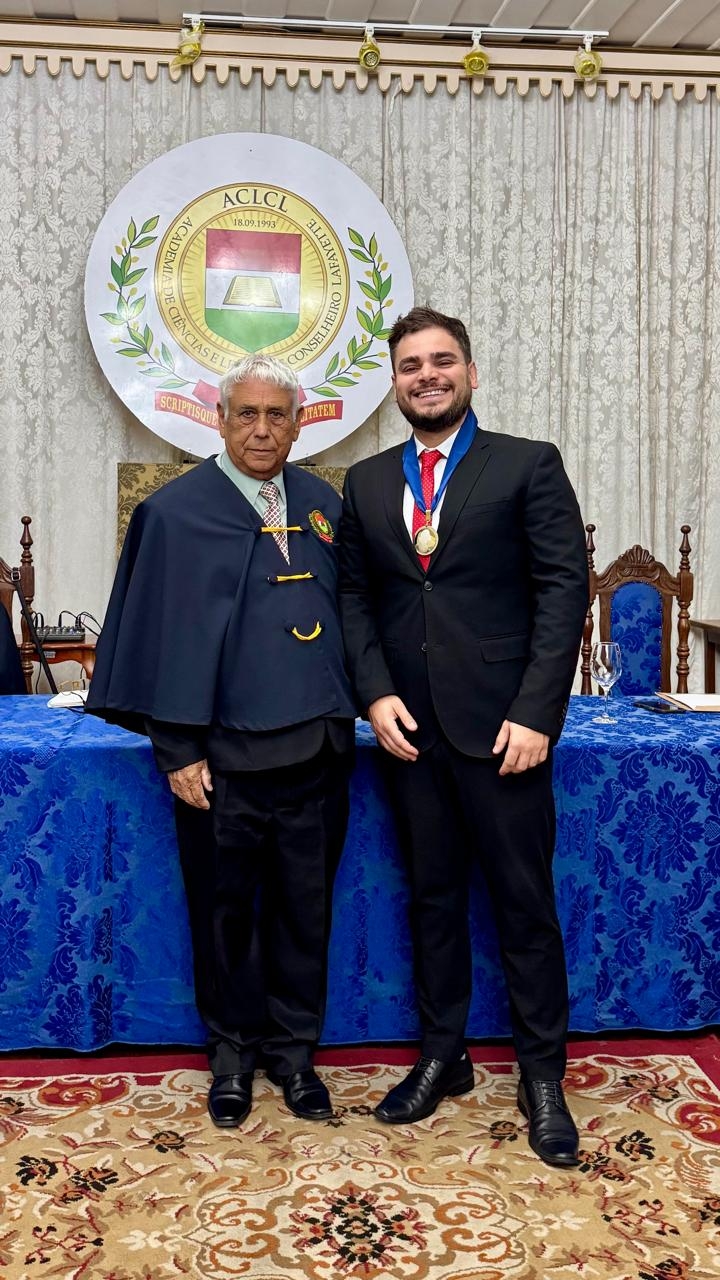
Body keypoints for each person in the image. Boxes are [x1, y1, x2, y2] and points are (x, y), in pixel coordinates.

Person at [339, 307, 589, 1167]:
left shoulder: (527, 463)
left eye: (442, 361)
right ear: (394, 383)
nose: (427, 376)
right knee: (433, 901)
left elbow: (563, 590)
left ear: (471, 373)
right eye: (411, 365)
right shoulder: (367, 481)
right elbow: (354, 600)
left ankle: (543, 1077)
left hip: (505, 730)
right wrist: (374, 694)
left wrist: (537, 713)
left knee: (524, 907)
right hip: (410, 733)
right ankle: (443, 1057)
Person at [87, 354, 356, 1128]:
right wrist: (177, 751)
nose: (261, 430)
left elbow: (353, 615)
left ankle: (295, 1056)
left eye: (277, 416)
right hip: (221, 764)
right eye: (247, 414)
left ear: (298, 426)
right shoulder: (173, 513)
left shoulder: (322, 503)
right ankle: (232, 1058)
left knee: (305, 911)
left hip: (316, 752)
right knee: (224, 914)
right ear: (220, 419)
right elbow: (160, 637)